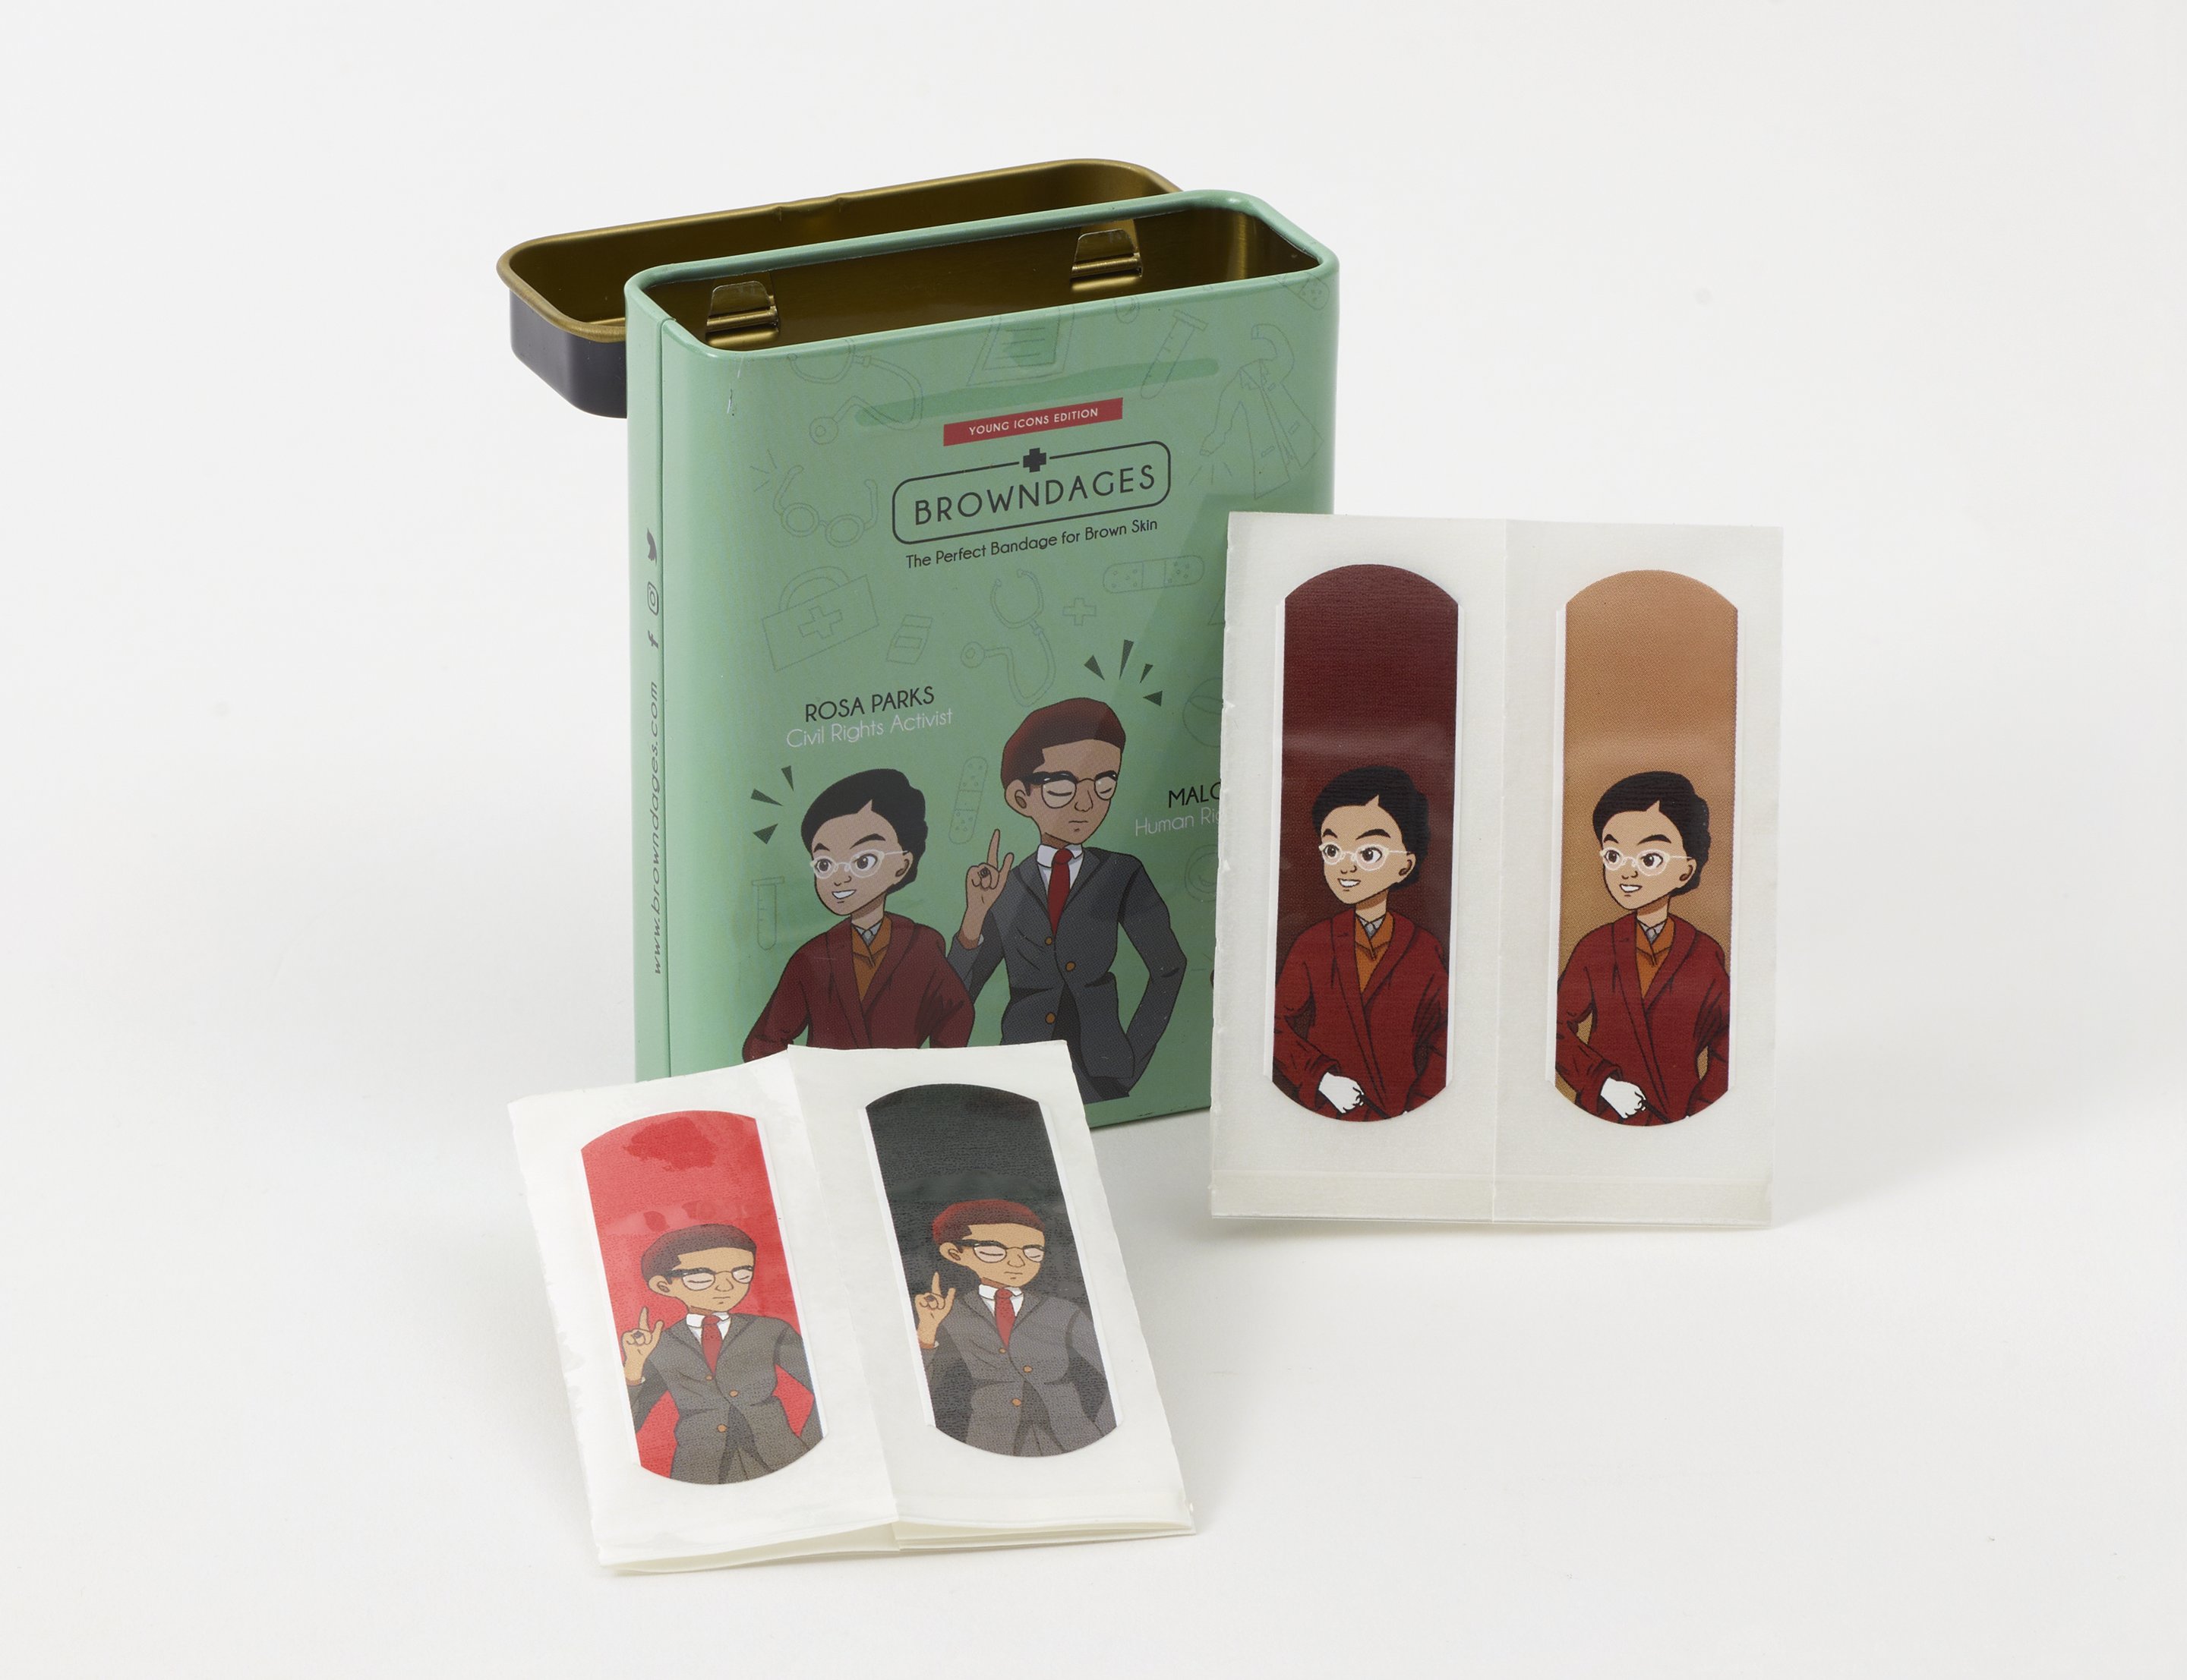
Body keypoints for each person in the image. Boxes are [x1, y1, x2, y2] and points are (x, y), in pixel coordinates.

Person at [951, 698, 1185, 1103]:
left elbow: (1169, 968)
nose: (1086, 803)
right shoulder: (1005, 887)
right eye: (1061, 787)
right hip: (1023, 1074)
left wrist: (1131, 1059)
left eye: (1105, 785)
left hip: (1103, 1074)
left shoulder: (1122, 873)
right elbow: (955, 1000)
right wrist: (975, 916)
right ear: (1020, 797)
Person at [744, 768, 974, 1058]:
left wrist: (932, 1073)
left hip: (901, 1084)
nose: (839, 878)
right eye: (825, 864)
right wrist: (804, 1081)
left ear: (902, 865)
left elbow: (957, 1010)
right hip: (829, 1086)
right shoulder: (811, 958)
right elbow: (763, 1041)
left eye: (863, 861)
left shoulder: (922, 946)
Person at [1270, 765, 1448, 1119]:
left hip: (1403, 1116)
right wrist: (1321, 1079)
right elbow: (1273, 1025)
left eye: (1368, 854)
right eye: (1333, 851)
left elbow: (1448, 1035)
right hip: (1325, 1113)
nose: (1345, 868)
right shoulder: (1313, 944)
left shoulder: (1424, 949)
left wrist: (1421, 1105)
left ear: (1405, 865)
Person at [1554, 771, 1730, 1124]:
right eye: (1614, 856)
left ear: (1686, 871)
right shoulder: (1595, 948)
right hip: (1601, 1116)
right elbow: (1552, 1027)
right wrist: (1603, 1084)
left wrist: (1700, 1111)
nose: (1627, 873)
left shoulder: (1704, 953)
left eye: (1649, 859)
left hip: (1679, 1118)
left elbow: (1730, 1041)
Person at [619, 1222, 821, 1483]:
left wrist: (809, 1446)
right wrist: (634, 1366)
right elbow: (628, 1426)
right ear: (663, 1285)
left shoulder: (769, 1330)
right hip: (700, 1470)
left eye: (742, 1275)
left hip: (782, 1458)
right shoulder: (659, 1345)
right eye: (701, 1279)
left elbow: (825, 1385)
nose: (726, 1287)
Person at [910, 1198, 1112, 1458]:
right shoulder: (950, 1313)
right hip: (991, 1441)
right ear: (955, 1253)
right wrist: (928, 1329)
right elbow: (917, 1390)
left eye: (1033, 1253)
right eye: (993, 1251)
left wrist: (1104, 1428)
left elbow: (1115, 1370)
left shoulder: (1062, 1311)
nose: (1018, 1263)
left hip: (1074, 1437)